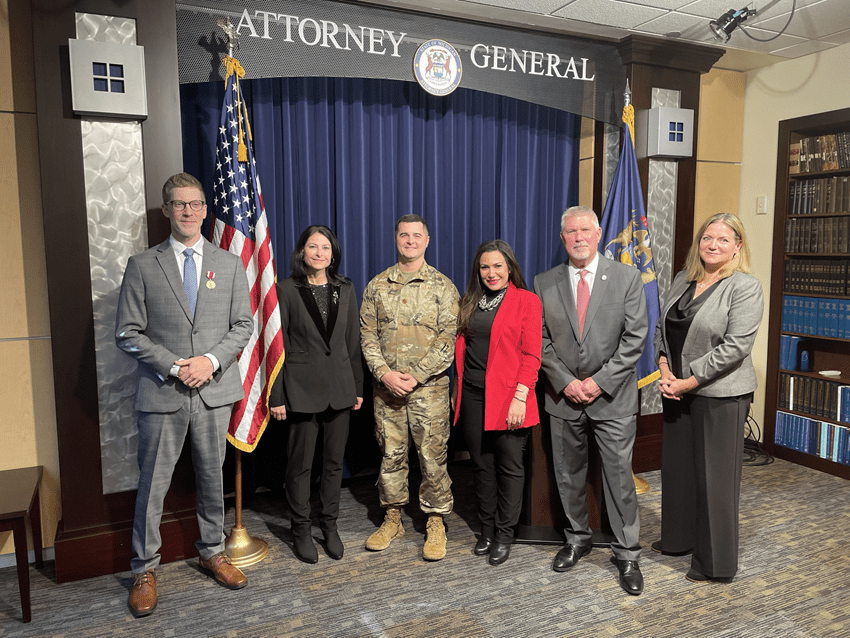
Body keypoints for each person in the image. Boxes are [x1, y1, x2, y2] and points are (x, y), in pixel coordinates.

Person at [116, 173, 254, 617]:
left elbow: (243, 326)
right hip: (163, 393)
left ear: (205, 209)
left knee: (212, 480)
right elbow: (127, 333)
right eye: (179, 204)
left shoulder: (229, 264)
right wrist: (177, 365)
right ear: (167, 210)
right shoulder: (142, 265)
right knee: (153, 485)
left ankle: (212, 551)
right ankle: (144, 568)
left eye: (195, 204)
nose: (189, 211)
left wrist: (209, 362)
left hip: (213, 391)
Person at [533, 205, 648, 596]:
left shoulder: (627, 278)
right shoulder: (543, 282)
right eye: (570, 231)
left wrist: (597, 383)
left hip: (612, 398)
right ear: (562, 237)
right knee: (568, 475)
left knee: (619, 477)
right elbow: (540, 340)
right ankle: (577, 538)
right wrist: (566, 383)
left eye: (585, 230)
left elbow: (635, 340)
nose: (578, 237)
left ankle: (627, 553)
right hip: (563, 399)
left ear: (598, 235)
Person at [652, 213, 763, 584]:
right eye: (707, 238)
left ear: (738, 246)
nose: (712, 245)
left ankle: (714, 564)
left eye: (723, 239)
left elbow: (735, 348)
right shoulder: (684, 279)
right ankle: (678, 539)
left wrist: (689, 381)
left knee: (715, 480)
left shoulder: (745, 287)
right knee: (679, 471)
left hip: (721, 395)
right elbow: (661, 329)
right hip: (676, 389)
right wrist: (665, 368)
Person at [360, 214, 460, 561]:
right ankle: (392, 518)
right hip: (387, 392)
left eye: (417, 236)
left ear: (427, 240)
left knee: (432, 458)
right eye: (404, 235)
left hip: (428, 391)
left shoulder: (443, 287)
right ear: (396, 239)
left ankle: (435, 521)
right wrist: (384, 374)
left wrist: (416, 375)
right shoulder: (376, 286)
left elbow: (448, 340)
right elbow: (367, 336)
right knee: (391, 456)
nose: (410, 241)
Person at [269, 225, 363, 564]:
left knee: (334, 464)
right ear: (302, 252)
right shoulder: (286, 289)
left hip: (340, 389)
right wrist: (276, 395)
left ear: (333, 253)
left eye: (325, 247)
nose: (320, 253)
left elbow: (352, 342)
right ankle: (300, 529)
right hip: (299, 391)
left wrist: (357, 386)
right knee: (300, 467)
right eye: (313, 246)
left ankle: (330, 526)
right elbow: (276, 347)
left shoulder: (346, 288)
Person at [452, 240, 542, 566]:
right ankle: (486, 530)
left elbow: (532, 356)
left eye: (497, 266)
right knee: (481, 464)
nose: (491, 273)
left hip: (509, 397)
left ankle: (505, 533)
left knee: (509, 467)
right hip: (473, 396)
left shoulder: (526, 301)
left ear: (509, 268)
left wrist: (520, 397)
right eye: (485, 267)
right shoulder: (470, 302)